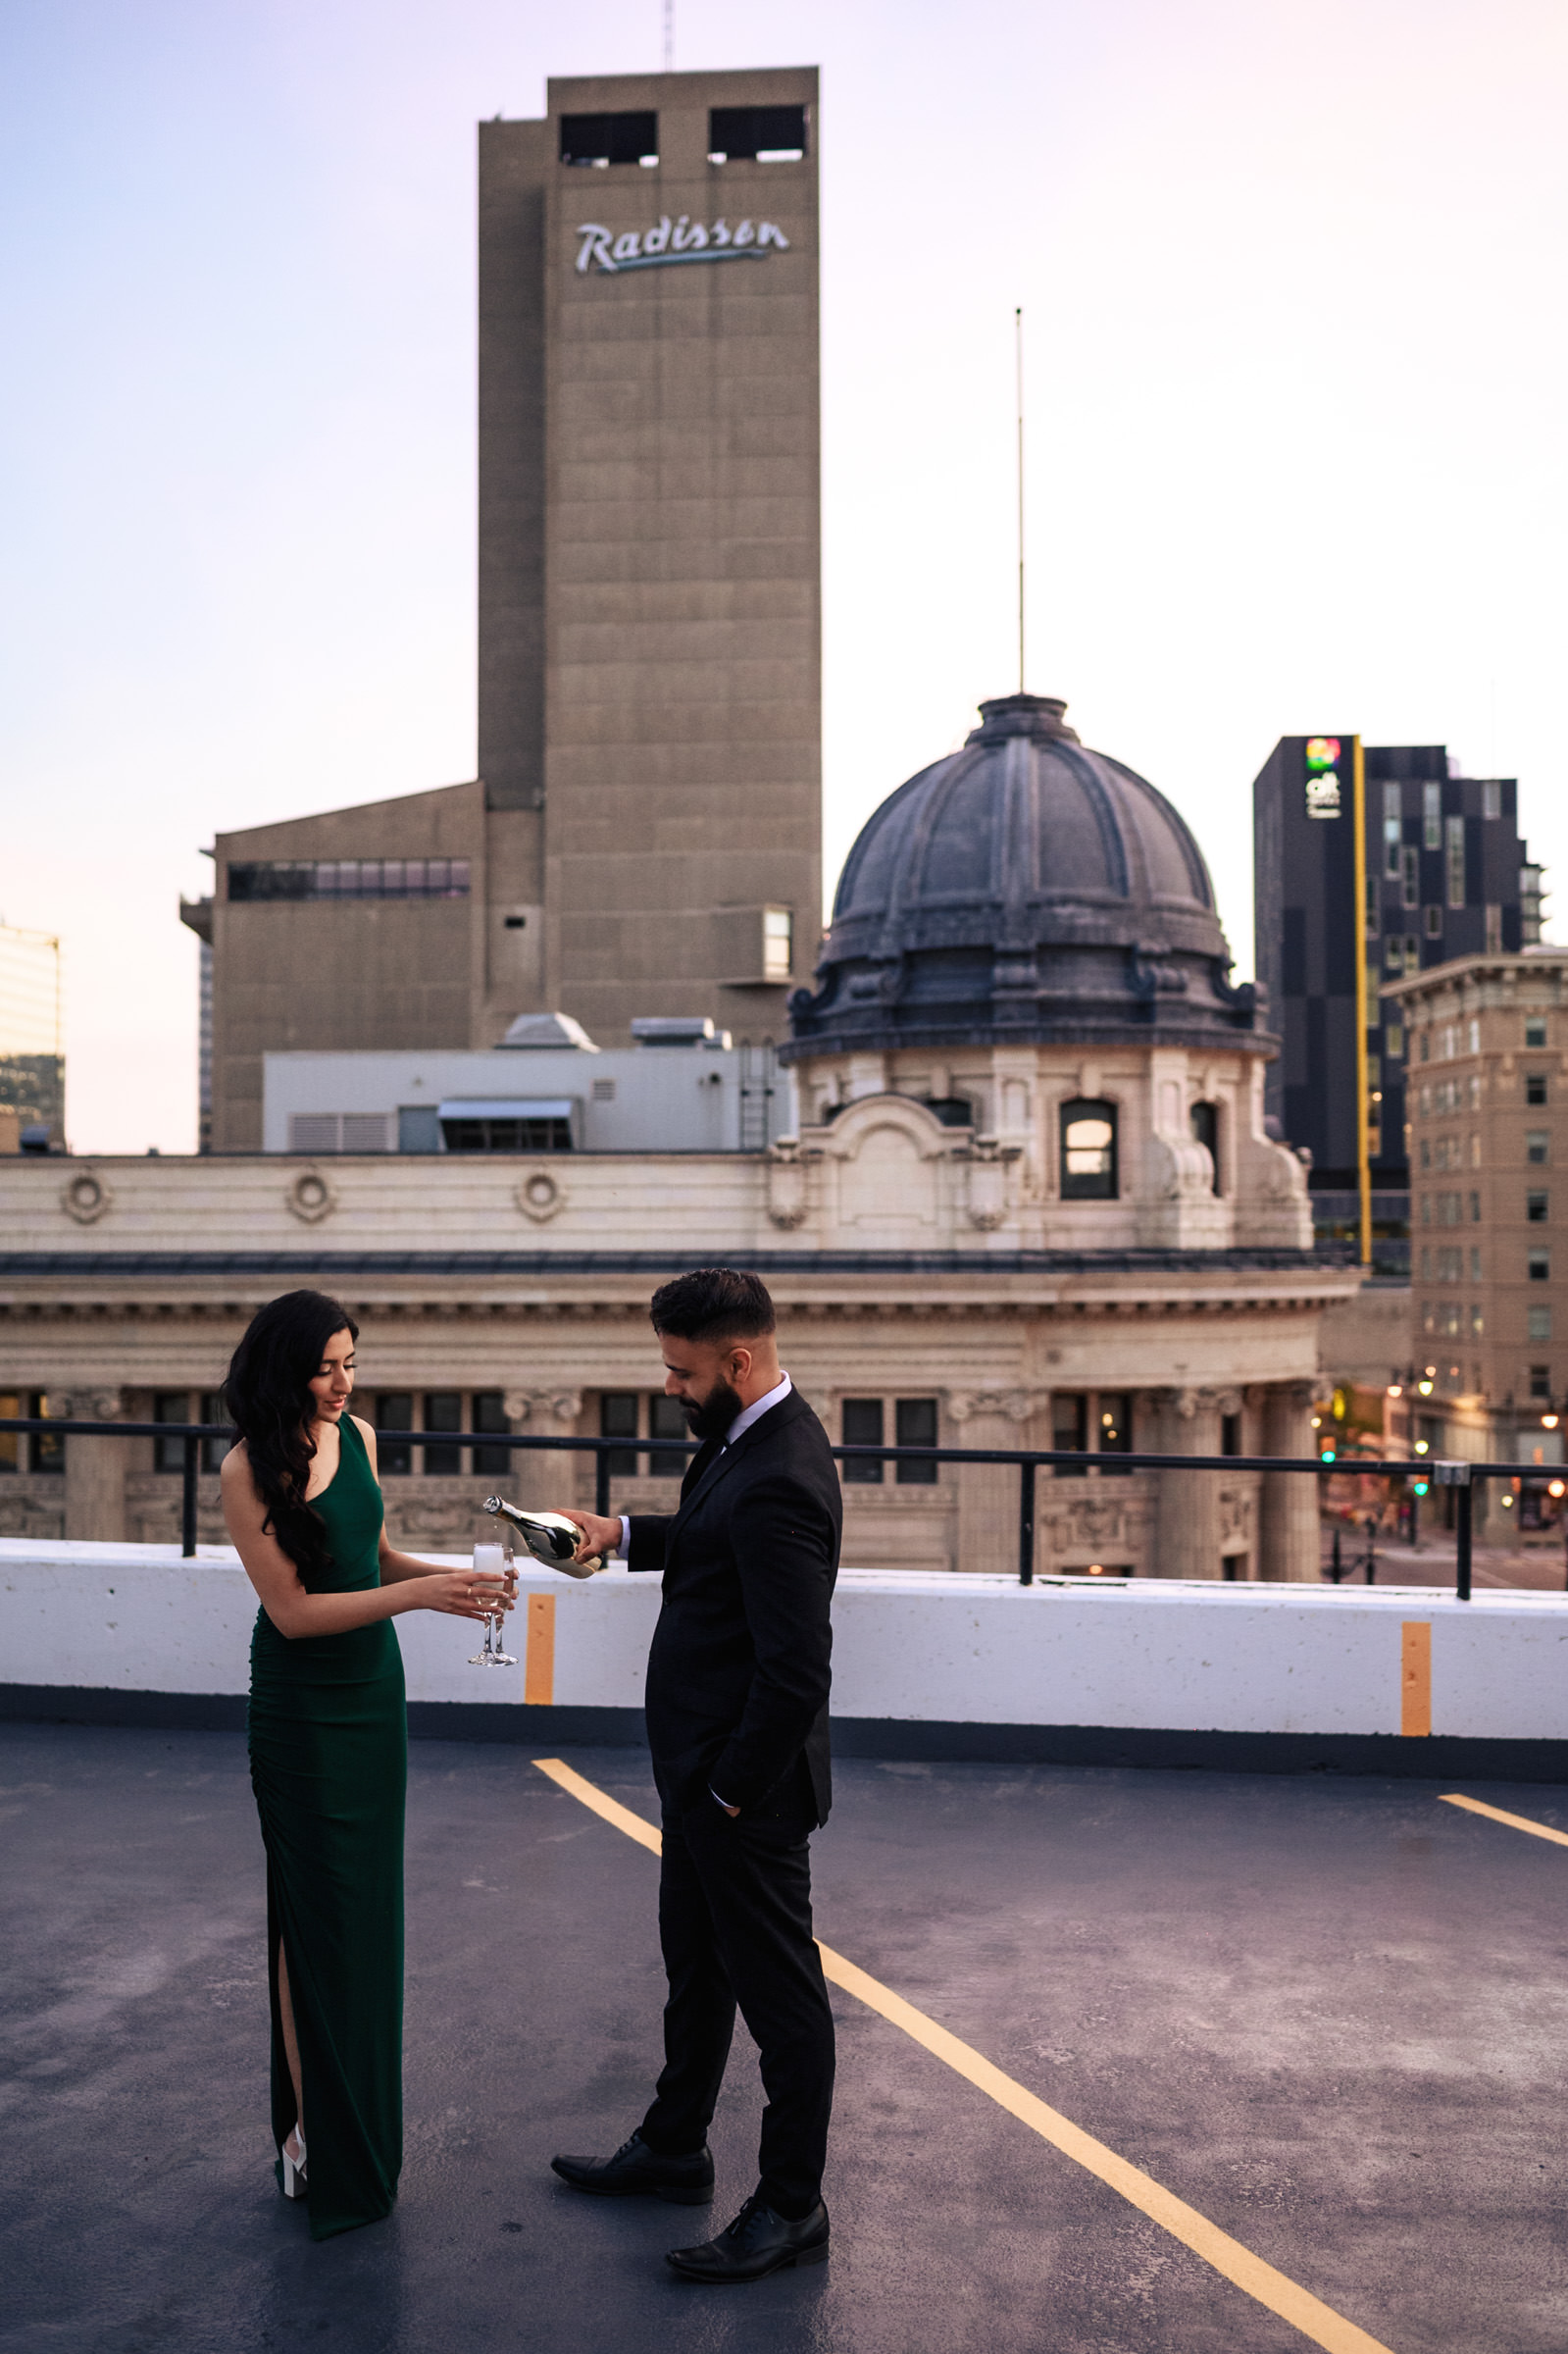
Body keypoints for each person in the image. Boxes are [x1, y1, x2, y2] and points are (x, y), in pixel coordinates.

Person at [550, 1266, 842, 2284]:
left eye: (680, 1371)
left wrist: (727, 1791)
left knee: (784, 2003)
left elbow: (798, 1667)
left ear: (740, 1360)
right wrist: (620, 1534)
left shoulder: (781, 1474)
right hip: (703, 1782)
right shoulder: (745, 1440)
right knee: (697, 1969)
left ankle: (792, 2205)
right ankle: (676, 2146)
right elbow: (713, 1543)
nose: (669, 1386)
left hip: (739, 1796)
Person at [220, 1289, 509, 2238]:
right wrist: (424, 1603)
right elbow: (297, 1613)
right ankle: (311, 2136)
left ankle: (345, 2134)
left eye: (353, 1362)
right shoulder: (243, 1471)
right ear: (283, 1369)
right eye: (326, 1366)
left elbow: (368, 1555)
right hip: (302, 1719)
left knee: (367, 1923)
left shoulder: (365, 1438)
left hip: (372, 1707)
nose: (344, 1383)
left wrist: (447, 1583)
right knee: (314, 1927)